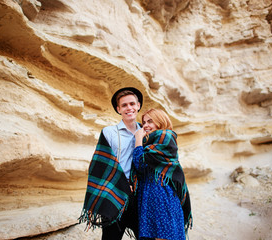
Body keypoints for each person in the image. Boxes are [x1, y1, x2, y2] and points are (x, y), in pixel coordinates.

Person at [79, 87, 143, 240]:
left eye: (132, 104)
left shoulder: (146, 131)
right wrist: (121, 184)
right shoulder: (109, 132)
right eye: (124, 105)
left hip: (141, 195)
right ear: (118, 109)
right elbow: (100, 166)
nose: (129, 108)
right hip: (115, 192)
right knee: (111, 237)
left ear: (138, 105)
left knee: (146, 236)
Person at [131, 108, 193, 240]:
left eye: (150, 121)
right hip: (150, 196)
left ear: (160, 121)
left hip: (161, 196)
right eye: (144, 122)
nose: (146, 125)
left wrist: (138, 140)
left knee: (163, 236)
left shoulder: (165, 137)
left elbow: (140, 163)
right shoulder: (150, 141)